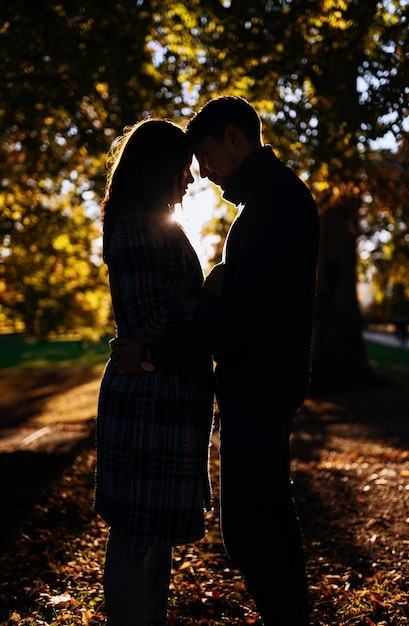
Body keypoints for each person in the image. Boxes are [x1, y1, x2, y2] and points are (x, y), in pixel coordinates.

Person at [110, 96, 320, 626]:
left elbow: (238, 317)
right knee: (267, 520)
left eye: (202, 155)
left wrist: (156, 352)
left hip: (260, 388)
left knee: (250, 531)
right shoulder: (268, 202)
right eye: (186, 166)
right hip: (257, 387)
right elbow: (206, 310)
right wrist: (201, 305)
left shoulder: (272, 204)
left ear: (233, 138)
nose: (199, 174)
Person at [94, 118, 218, 626]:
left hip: (162, 399)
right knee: (137, 530)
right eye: (183, 168)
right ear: (159, 168)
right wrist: (212, 302)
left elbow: (159, 325)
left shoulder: (152, 225)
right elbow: (149, 321)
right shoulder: (139, 228)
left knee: (155, 532)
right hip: (147, 403)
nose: (189, 179)